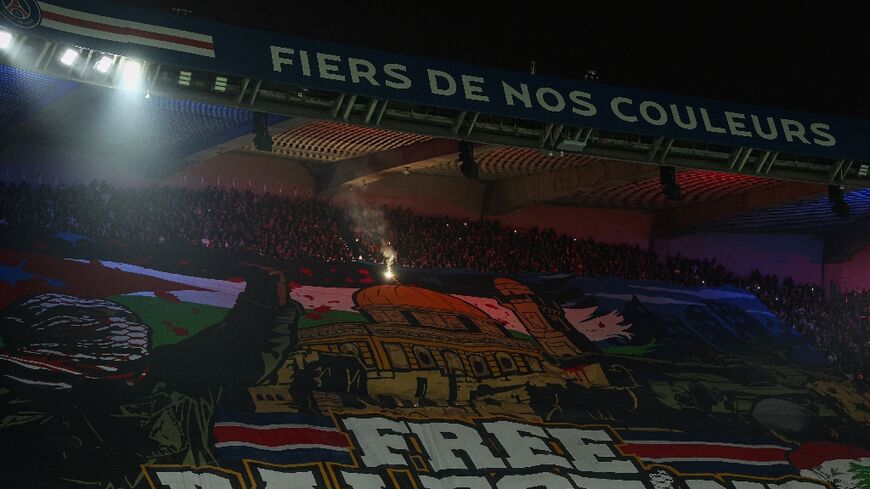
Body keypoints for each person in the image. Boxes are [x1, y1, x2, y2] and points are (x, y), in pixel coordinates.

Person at [0, 265, 300, 488]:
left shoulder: (165, 369)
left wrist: (265, 301)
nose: (133, 332)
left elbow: (238, 352)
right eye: (108, 330)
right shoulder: (30, 428)